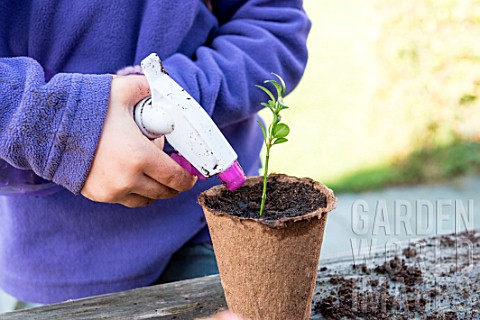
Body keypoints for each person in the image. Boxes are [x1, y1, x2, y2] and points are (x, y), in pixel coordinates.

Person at [0, 0, 311, 310]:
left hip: (212, 233)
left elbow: (273, 22)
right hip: (59, 267)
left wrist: (171, 98)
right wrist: (61, 123)